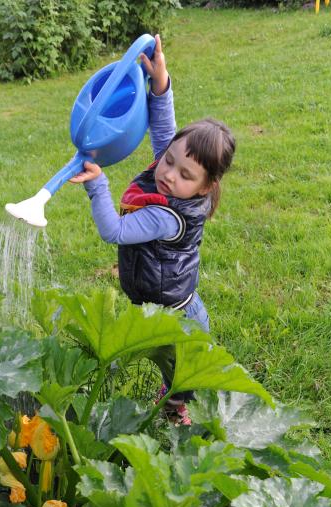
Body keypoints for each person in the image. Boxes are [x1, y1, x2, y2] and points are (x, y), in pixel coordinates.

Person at [70, 35, 236, 425]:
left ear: (206, 187)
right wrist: (160, 84)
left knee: (182, 375)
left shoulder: (165, 216)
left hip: (175, 314)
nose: (168, 174)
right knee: (174, 369)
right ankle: (175, 398)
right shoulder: (173, 174)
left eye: (184, 174)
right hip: (166, 302)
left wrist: (97, 185)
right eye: (170, 161)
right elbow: (165, 130)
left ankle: (180, 411)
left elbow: (113, 230)